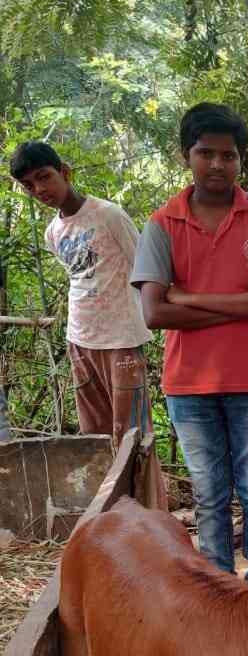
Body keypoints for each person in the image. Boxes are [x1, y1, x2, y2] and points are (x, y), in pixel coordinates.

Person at [131, 103, 248, 583]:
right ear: (187, 156)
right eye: (206, 154)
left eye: (228, 156)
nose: (218, 165)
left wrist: (191, 298)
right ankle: (220, 586)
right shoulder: (163, 224)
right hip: (190, 385)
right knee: (208, 493)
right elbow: (155, 312)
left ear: (241, 160)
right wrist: (244, 299)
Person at [10, 140, 153, 448]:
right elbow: (80, 278)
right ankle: (108, 498)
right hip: (80, 340)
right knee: (96, 439)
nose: (39, 189)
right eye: (28, 185)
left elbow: (144, 269)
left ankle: (144, 498)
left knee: (133, 438)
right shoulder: (53, 232)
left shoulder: (108, 215)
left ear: (65, 172)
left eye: (44, 177)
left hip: (121, 340)